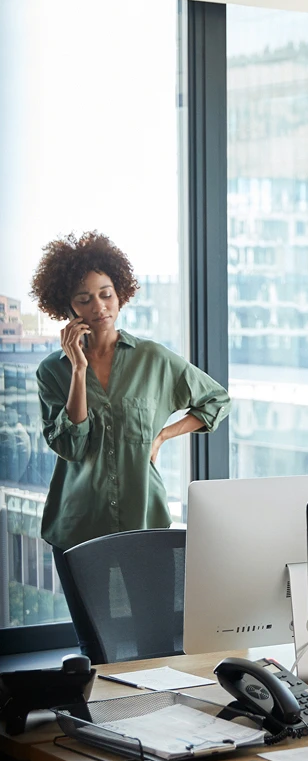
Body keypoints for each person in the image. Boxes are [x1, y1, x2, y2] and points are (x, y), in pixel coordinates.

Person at [31, 231, 231, 653]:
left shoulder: (154, 359)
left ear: (120, 294)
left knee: (155, 641)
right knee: (96, 647)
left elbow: (216, 400)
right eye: (84, 298)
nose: (98, 306)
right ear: (67, 306)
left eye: (106, 294)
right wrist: (79, 371)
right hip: (78, 528)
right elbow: (71, 446)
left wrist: (164, 433)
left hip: (145, 523)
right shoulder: (53, 371)